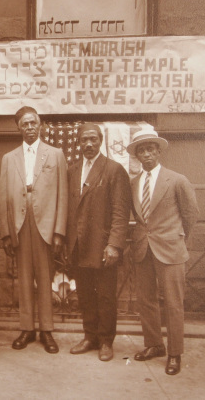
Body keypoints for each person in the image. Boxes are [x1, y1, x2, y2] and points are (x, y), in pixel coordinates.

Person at [128, 129, 199, 376]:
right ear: (136, 155)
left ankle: (174, 353)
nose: (147, 154)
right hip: (142, 248)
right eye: (142, 150)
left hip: (171, 250)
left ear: (159, 151)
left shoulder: (176, 180)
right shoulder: (134, 183)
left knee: (173, 303)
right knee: (145, 300)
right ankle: (154, 345)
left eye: (151, 149)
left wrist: (180, 242)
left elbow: (190, 215)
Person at [0, 106, 67, 354]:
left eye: (33, 123)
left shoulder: (55, 154)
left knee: (45, 277)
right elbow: (4, 196)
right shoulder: (9, 158)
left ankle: (46, 330)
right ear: (19, 128)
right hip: (20, 223)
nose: (29, 127)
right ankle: (26, 328)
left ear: (40, 126)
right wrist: (7, 232)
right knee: (24, 278)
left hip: (45, 224)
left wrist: (59, 231)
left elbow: (62, 194)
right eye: (25, 124)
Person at [65, 123, 131, 361]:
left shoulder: (114, 170)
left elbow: (121, 212)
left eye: (93, 139)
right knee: (85, 295)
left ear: (101, 141)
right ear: (79, 143)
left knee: (105, 296)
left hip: (103, 247)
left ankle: (105, 341)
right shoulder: (72, 170)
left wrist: (114, 244)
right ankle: (90, 336)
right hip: (79, 246)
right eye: (84, 140)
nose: (89, 144)